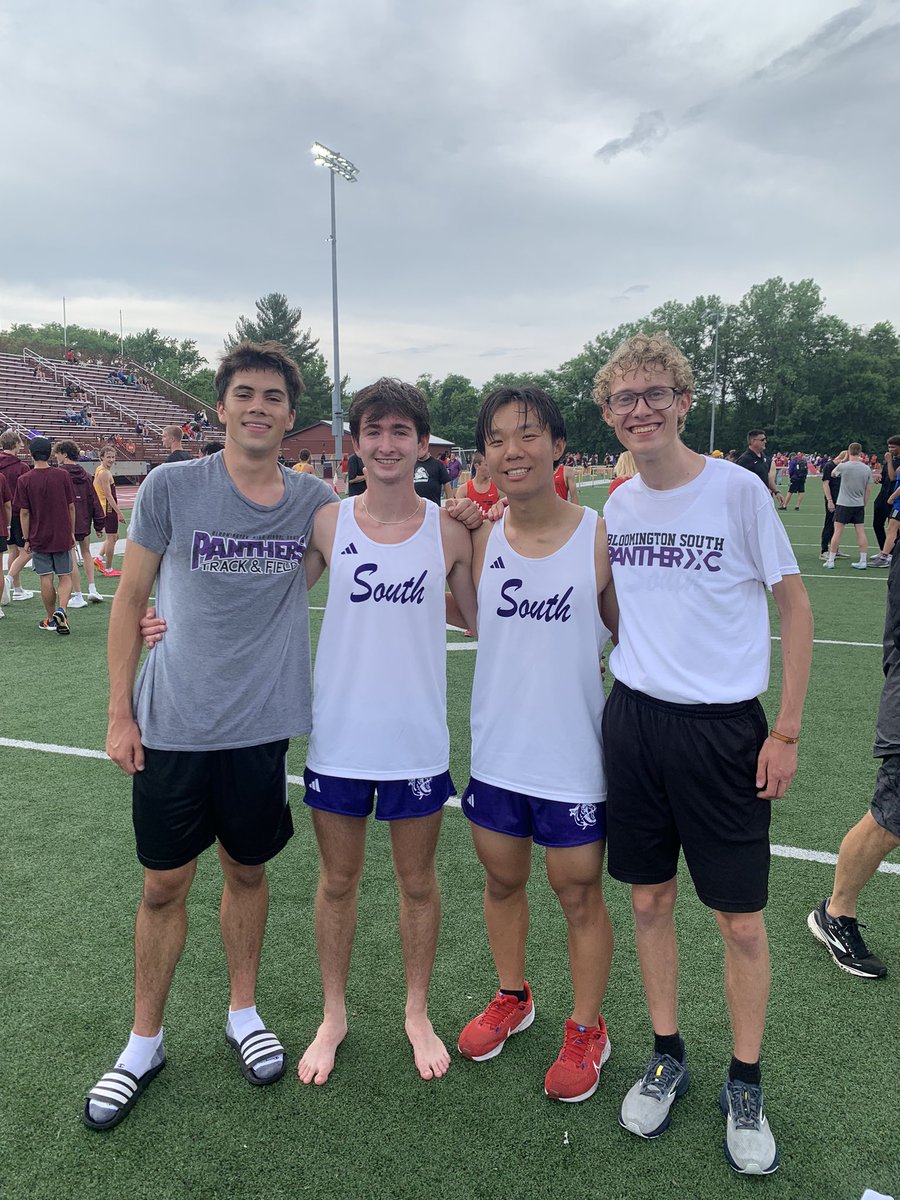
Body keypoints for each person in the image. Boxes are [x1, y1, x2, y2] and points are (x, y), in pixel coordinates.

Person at [83, 340, 337, 1132]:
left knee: (248, 873)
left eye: (273, 396)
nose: (258, 406)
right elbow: (129, 601)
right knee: (163, 884)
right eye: (244, 393)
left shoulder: (311, 498)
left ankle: (242, 1011)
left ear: (290, 416)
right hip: (173, 726)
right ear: (220, 407)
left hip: (259, 730)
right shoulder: (170, 486)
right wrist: (121, 713)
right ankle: (143, 1041)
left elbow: (367, 540)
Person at [592, 332, 812, 1176]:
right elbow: (614, 609)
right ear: (609, 414)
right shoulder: (618, 505)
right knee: (648, 904)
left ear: (683, 401)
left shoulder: (738, 490)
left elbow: (794, 611)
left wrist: (785, 729)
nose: (640, 410)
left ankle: (744, 1080)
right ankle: (667, 1054)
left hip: (725, 731)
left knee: (740, 920)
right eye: (624, 399)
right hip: (637, 723)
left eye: (655, 394)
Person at [297, 379, 477, 1087]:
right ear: (356, 444)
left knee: (417, 884)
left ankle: (416, 1010)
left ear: (422, 444)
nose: (387, 444)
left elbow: (487, 619)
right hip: (339, 739)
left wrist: (486, 525)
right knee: (337, 882)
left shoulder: (450, 529)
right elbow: (268, 602)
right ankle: (333, 1014)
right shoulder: (326, 524)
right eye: (374, 431)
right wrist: (170, 620)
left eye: (401, 431)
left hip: (415, 742)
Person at [455, 386, 616, 1105]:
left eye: (527, 435)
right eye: (496, 439)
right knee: (502, 881)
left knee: (578, 891)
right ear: (484, 455)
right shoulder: (480, 540)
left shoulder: (600, 536)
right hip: (498, 751)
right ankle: (513, 996)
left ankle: (588, 1028)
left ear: (558, 445)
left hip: (574, 757)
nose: (511, 451)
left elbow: (637, 640)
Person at [14, 437, 76, 634]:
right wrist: (72, 531)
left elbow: (24, 513)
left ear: (31, 454)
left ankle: (51, 618)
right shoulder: (62, 475)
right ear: (49, 453)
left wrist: (25, 538)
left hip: (38, 535)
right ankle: (62, 610)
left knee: (45, 578)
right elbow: (71, 507)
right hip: (61, 533)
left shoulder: (24, 480)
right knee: (65, 576)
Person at [53, 440, 106, 606]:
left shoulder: (59, 474)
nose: (55, 455)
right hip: (84, 519)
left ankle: (78, 595)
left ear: (65, 454)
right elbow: (94, 499)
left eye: (58, 452)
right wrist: (99, 524)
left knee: (71, 556)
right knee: (86, 552)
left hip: (66, 519)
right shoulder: (84, 474)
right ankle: (92, 589)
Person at [823, 443, 873, 570]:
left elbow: (833, 474)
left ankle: (831, 560)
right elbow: (868, 489)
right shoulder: (866, 468)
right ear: (860, 452)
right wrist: (864, 504)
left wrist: (844, 460)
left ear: (849, 452)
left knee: (838, 532)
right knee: (861, 532)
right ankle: (862, 560)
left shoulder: (843, 466)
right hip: (858, 504)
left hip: (844, 503)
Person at [0, 431, 34, 601]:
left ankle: (18, 589)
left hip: (3, 516)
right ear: (14, 445)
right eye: (19, 444)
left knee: (13, 550)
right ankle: (9, 579)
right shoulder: (21, 467)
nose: (21, 446)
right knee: (27, 551)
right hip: (17, 512)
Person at [92, 447, 125, 577]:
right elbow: (108, 495)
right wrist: (119, 512)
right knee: (111, 538)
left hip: (105, 507)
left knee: (114, 537)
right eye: (108, 457)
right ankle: (109, 569)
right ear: (102, 458)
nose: (111, 460)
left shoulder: (100, 470)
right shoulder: (104, 473)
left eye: (113, 457)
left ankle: (99, 559)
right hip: (107, 508)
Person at [736, 431, 786, 509]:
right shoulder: (744, 460)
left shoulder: (763, 457)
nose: (765, 441)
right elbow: (737, 482)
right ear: (753, 441)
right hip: (750, 502)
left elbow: (767, 476)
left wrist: (776, 492)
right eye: (762, 440)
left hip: (763, 499)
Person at [820, 452, 850, 560]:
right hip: (832, 498)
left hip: (841, 499)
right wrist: (829, 500)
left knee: (837, 525)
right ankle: (824, 550)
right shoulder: (829, 466)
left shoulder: (842, 467)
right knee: (829, 523)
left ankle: (835, 549)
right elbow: (825, 484)